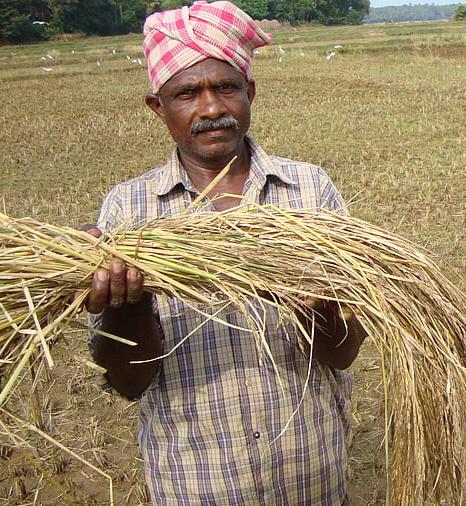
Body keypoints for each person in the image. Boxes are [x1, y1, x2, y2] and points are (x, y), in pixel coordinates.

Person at [82, 2, 366, 504]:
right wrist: (130, 304)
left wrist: (316, 304)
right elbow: (128, 382)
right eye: (187, 93)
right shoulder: (128, 210)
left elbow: (341, 353)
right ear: (158, 106)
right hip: (196, 483)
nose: (211, 108)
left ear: (250, 92)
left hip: (312, 476)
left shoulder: (308, 190)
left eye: (226, 88)